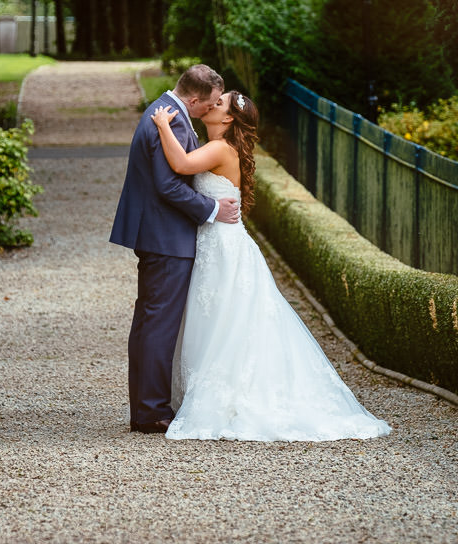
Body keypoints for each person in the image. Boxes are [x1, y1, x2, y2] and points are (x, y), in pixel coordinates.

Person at [150, 90, 391, 441]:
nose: (212, 104)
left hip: (222, 245)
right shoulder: (221, 146)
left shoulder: (219, 148)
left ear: (229, 119)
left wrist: (161, 126)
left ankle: (230, 396)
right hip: (221, 241)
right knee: (223, 318)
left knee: (222, 318)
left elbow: (182, 166)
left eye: (219, 104)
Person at [110, 64, 241, 434]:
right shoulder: (173, 122)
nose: (213, 108)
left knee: (149, 323)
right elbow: (169, 187)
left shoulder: (162, 112)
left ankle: (145, 408)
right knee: (158, 326)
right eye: (212, 102)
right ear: (195, 99)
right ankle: (151, 412)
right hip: (166, 238)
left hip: (157, 235)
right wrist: (213, 209)